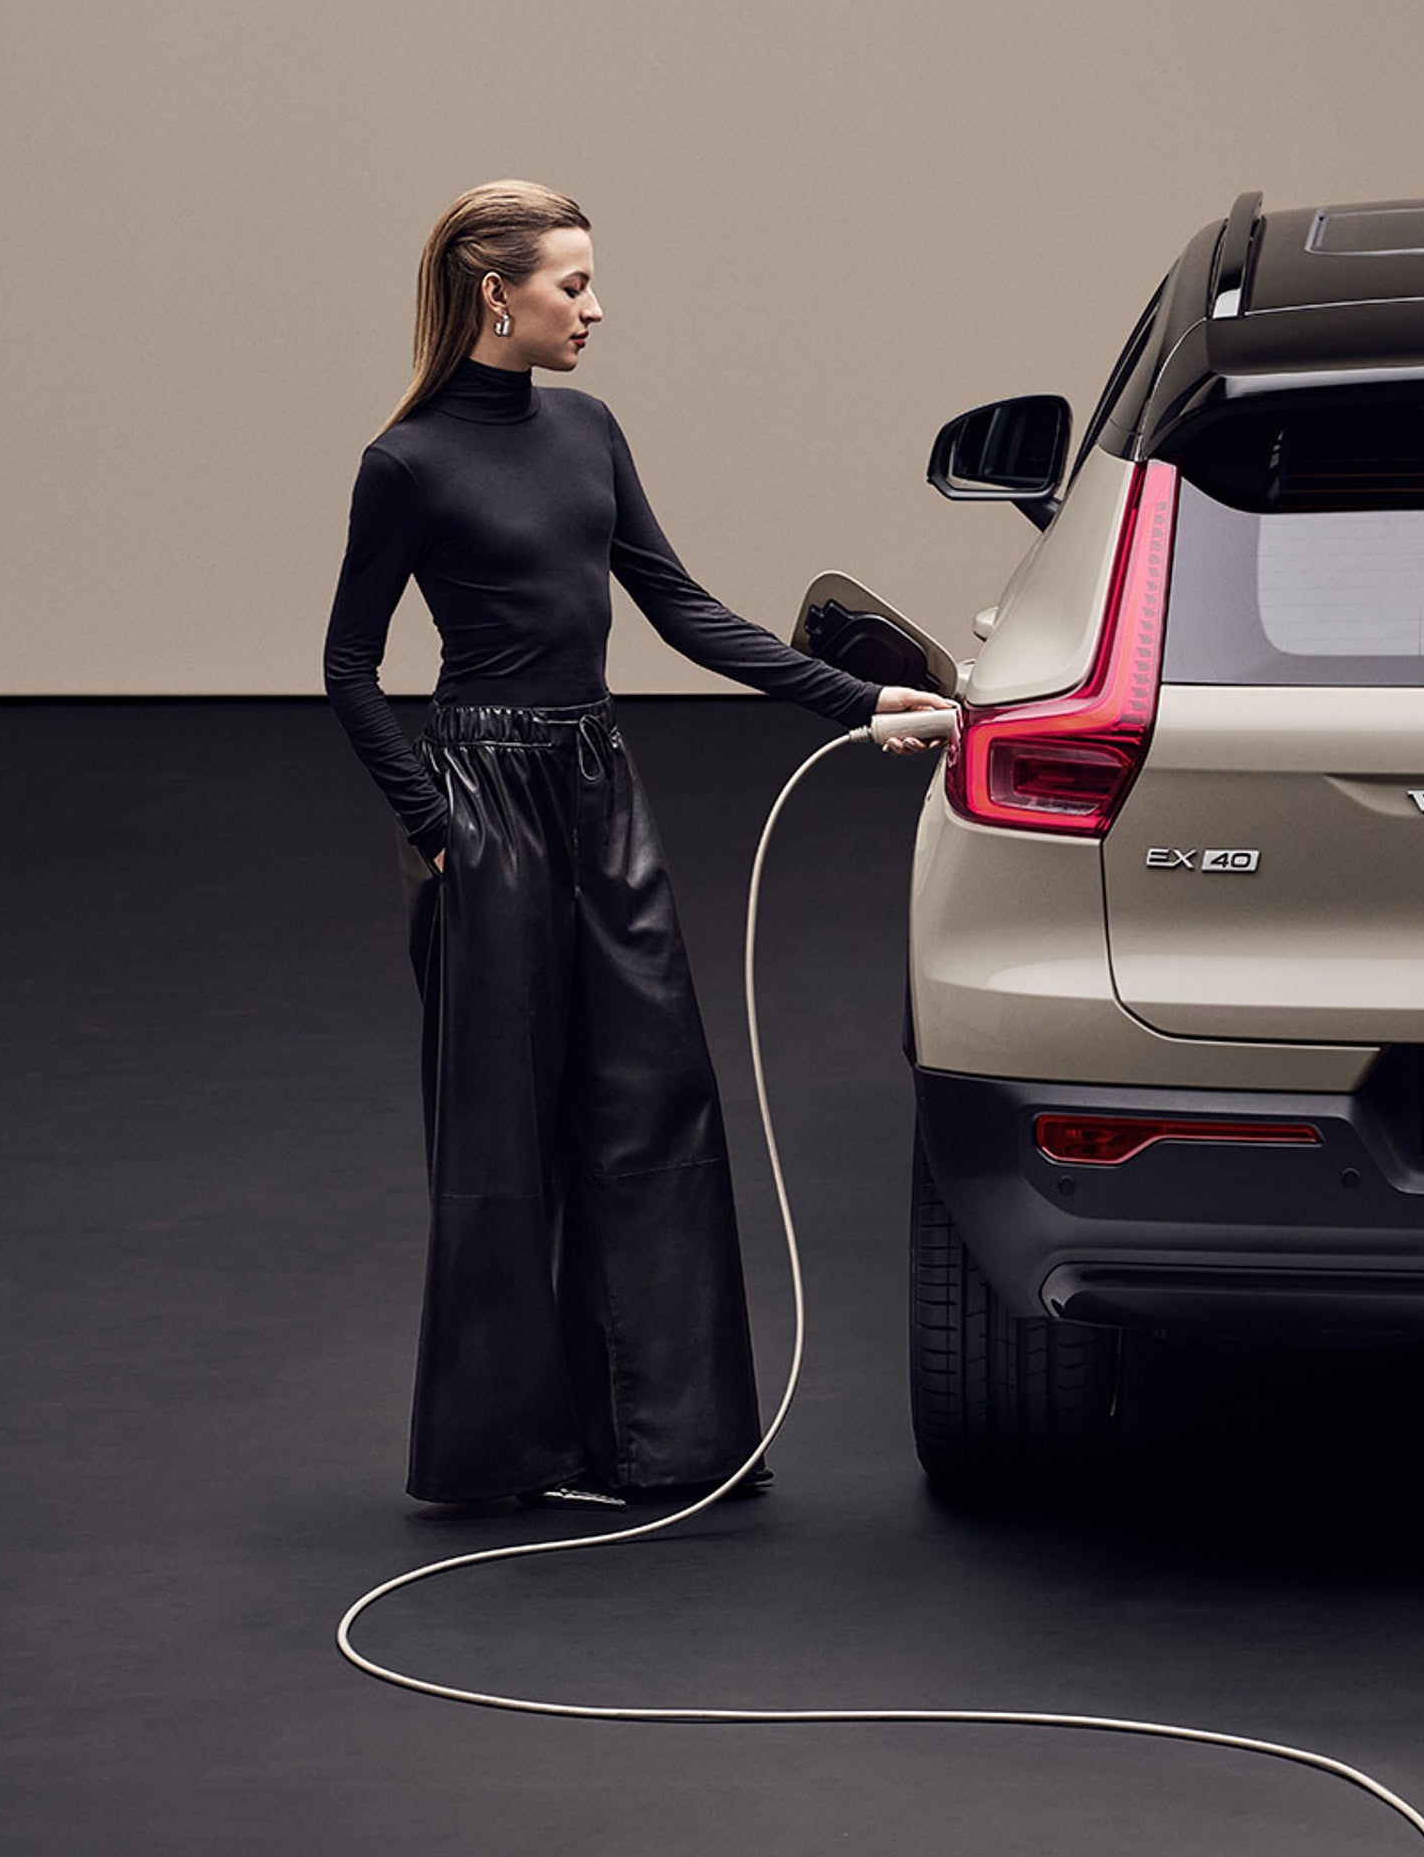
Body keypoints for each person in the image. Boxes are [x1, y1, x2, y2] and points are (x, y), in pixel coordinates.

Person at [322, 181, 953, 1511]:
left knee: (654, 1098)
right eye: (573, 285)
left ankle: (668, 1447)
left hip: (598, 785)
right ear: (495, 294)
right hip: (485, 797)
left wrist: (858, 702)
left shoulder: (589, 430)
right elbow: (349, 667)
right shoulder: (406, 464)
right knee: (503, 1133)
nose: (595, 309)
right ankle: (508, 1455)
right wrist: (434, 828)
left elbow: (677, 605)